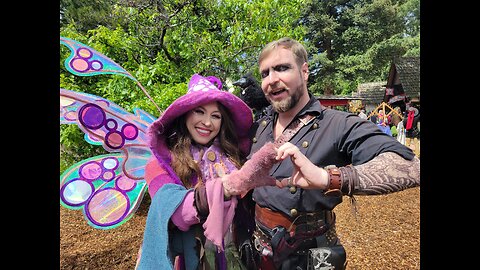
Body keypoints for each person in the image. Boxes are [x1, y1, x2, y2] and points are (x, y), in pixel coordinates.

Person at [235, 37, 420, 270]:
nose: (272, 80)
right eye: (265, 73)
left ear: (304, 72)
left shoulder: (339, 124)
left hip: (309, 255)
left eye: (282, 68)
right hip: (258, 253)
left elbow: (411, 167)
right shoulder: (257, 127)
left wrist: (327, 178)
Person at [136, 74, 281, 270]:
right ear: (185, 114)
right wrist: (228, 187)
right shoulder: (159, 164)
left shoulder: (233, 156)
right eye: (199, 112)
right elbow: (177, 213)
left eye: (215, 116)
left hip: (239, 256)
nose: (207, 122)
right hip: (191, 260)